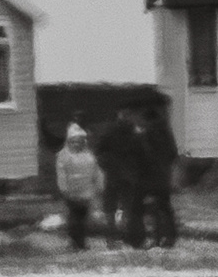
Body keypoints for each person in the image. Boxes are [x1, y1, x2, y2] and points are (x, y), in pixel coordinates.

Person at [97, 113, 148, 248]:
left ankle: (112, 237)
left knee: (111, 208)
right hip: (128, 177)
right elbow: (143, 157)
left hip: (113, 176)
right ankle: (126, 235)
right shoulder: (135, 136)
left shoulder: (109, 134)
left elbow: (99, 153)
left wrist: (107, 165)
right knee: (128, 207)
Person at [53, 123, 103, 251]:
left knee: (83, 218)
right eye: (74, 141)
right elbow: (61, 173)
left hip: (86, 192)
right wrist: (63, 188)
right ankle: (74, 242)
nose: (76, 144)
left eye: (79, 141)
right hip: (71, 192)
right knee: (73, 218)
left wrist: (99, 184)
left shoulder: (89, 156)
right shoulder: (63, 156)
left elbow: (96, 171)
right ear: (69, 142)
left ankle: (81, 242)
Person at [139, 102, 181, 247]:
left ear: (147, 119)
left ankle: (156, 238)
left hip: (152, 176)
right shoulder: (166, 132)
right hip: (164, 176)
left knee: (153, 208)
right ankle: (170, 237)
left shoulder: (148, 133)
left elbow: (145, 157)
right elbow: (173, 154)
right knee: (165, 207)